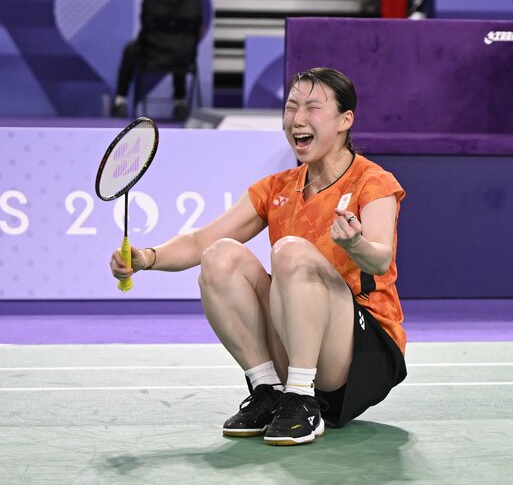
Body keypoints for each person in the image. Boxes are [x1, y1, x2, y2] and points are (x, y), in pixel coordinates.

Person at [109, 66, 407, 445]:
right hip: (301, 343)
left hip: (363, 353)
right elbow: (201, 242)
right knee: (220, 256)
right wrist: (148, 258)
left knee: (290, 251)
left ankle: (302, 398)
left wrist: (354, 245)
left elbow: (379, 259)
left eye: (313, 108)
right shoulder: (277, 188)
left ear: (345, 120)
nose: (297, 119)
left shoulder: (372, 182)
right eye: (291, 107)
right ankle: (269, 391)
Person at [110, 0, 203, 121]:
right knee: (180, 46)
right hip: (184, 57)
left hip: (153, 55)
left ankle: (120, 101)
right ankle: (180, 102)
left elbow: (145, 30)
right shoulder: (194, 1)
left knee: (130, 49)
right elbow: (195, 33)